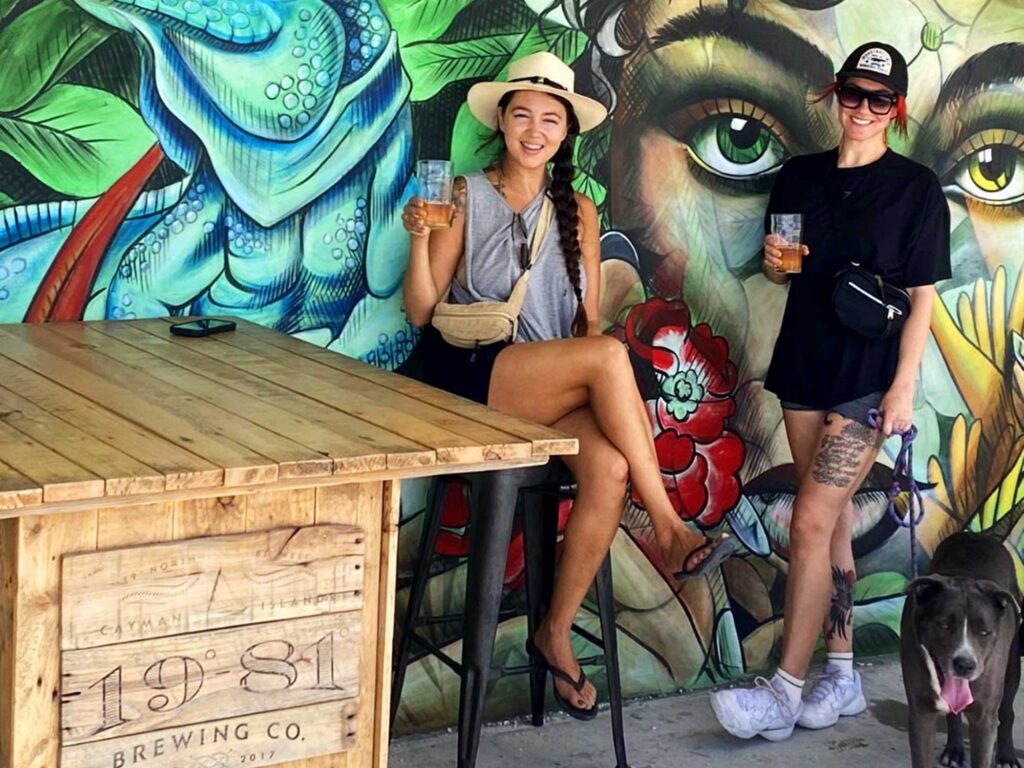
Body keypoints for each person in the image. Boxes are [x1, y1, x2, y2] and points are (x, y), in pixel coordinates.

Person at [401, 51, 733, 719]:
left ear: (564, 134)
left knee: (608, 465)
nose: (534, 129)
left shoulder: (578, 209)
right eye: (522, 114)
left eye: (550, 119)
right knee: (609, 360)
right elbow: (419, 312)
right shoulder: (464, 194)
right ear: (501, 121)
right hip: (465, 374)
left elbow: (583, 323)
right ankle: (668, 526)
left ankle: (553, 631)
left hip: (541, 387)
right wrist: (417, 238)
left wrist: (587, 385)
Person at [709, 42, 951, 741]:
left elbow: (921, 299)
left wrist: (904, 387)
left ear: (896, 109)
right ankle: (841, 675)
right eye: (854, 94)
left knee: (811, 522)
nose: (865, 110)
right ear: (835, 95)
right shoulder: (799, 178)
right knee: (835, 523)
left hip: (868, 382)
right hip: (804, 369)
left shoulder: (915, 189)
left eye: (880, 100)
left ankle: (782, 690)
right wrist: (780, 267)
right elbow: (782, 269)